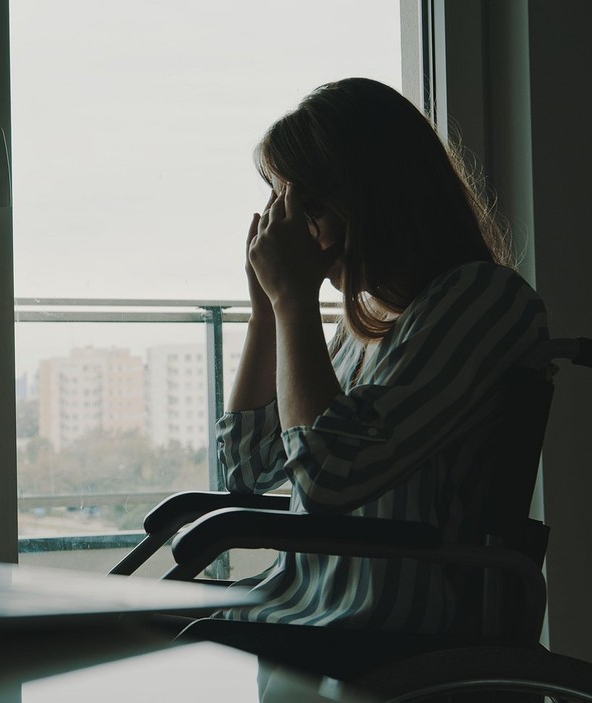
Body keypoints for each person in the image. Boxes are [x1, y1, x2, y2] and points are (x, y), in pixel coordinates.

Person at [218, 77, 548, 633]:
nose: (301, 235)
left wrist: (294, 300)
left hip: (365, 630)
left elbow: (326, 478)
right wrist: (268, 314)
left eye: (308, 209)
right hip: (293, 612)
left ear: (366, 198)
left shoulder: (481, 298)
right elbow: (246, 469)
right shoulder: (361, 330)